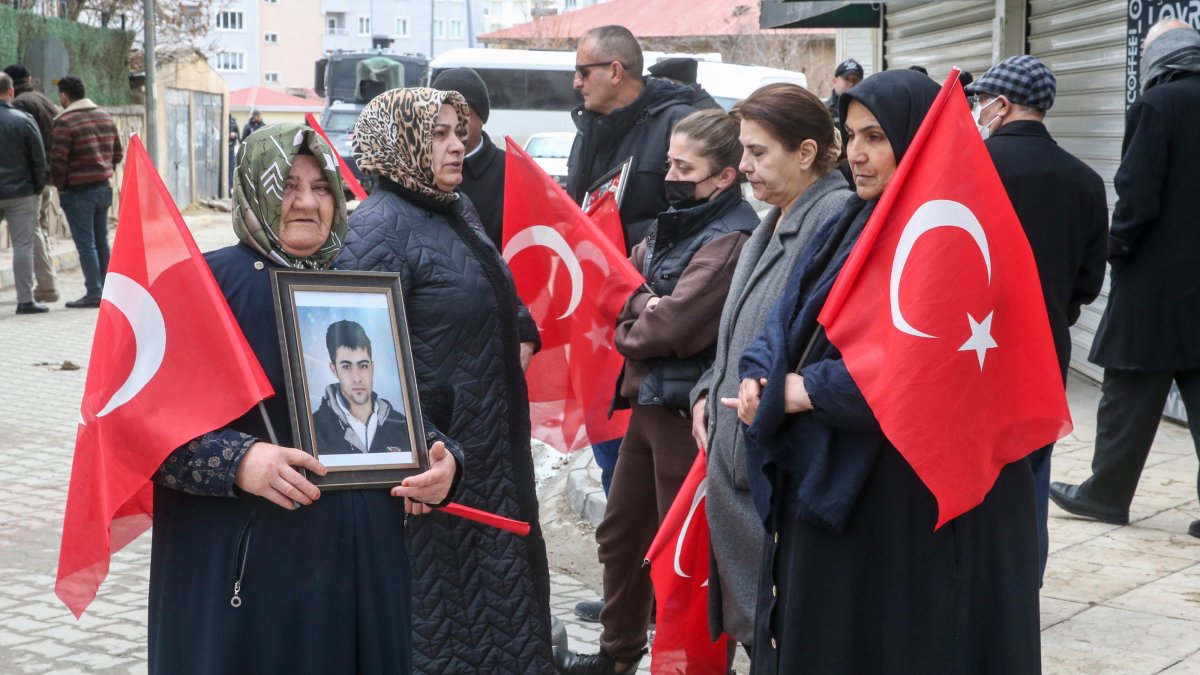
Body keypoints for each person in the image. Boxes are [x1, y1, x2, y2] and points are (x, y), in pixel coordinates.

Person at [731, 69, 1040, 673]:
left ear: (917, 136)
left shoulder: (949, 227)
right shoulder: (853, 218)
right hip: (845, 493)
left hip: (913, 499)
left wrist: (808, 390)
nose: (859, 155)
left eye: (876, 136)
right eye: (851, 137)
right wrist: (762, 373)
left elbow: (933, 367)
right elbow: (788, 315)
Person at [149, 123, 463, 674]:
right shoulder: (200, 287)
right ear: (253, 187)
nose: (305, 202)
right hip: (252, 575)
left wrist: (439, 458)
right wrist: (240, 461)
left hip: (362, 573)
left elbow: (391, 406)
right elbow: (144, 429)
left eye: (322, 187)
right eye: (287, 184)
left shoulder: (359, 286)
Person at [338, 87, 554, 673]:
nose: (459, 143)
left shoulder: (450, 207)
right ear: (400, 141)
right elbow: (362, 365)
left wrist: (518, 324)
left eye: (459, 130)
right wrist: (423, 440)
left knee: (501, 604)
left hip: (485, 446)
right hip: (433, 461)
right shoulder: (378, 229)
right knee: (445, 621)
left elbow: (481, 286)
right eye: (438, 133)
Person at [556, 108, 758, 675]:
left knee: (684, 556)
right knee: (622, 536)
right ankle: (619, 654)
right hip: (648, 406)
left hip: (686, 416)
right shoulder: (675, 224)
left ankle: (690, 662)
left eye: (682, 166)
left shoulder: (732, 237)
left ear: (723, 176)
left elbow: (667, 329)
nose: (668, 174)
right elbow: (623, 293)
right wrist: (644, 310)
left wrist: (641, 312)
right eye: (667, 161)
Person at [689, 82, 851, 656]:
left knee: (784, 637)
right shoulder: (776, 216)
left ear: (806, 152)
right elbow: (739, 333)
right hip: (739, 462)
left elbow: (811, 346)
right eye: (743, 152)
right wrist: (708, 388)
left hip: (775, 473)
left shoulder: (832, 219)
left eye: (759, 153)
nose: (745, 167)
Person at [1050, 20, 1200, 534]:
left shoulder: (1157, 106)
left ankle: (1106, 494)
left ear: (1157, 58)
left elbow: (1137, 192)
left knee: (1128, 390)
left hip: (1156, 282)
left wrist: (1118, 249)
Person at [966, 55, 1107, 582]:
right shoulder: (1087, 181)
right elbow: (1088, 284)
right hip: (1044, 347)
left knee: (968, 464)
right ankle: (1024, 581)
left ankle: (971, 581)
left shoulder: (972, 169)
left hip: (968, 346)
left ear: (1001, 106)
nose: (979, 111)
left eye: (982, 102)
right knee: (1030, 469)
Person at [567, 24, 696, 252]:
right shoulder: (588, 127)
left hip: (648, 281)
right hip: (589, 272)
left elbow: (696, 219)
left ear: (615, 72)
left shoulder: (680, 124)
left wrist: (616, 238)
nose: (576, 83)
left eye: (582, 72)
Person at [50, 75, 123, 309]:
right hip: (103, 188)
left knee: (86, 244)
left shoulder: (65, 121)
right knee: (101, 240)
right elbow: (118, 154)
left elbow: (58, 160)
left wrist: (60, 186)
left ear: (64, 96)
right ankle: (108, 291)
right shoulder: (104, 116)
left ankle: (93, 291)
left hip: (78, 192)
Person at [431, 67, 507, 250]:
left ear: (481, 118)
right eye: (442, 114)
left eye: (462, 115)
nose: (453, 123)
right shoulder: (418, 166)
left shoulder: (511, 172)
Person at [312, 319, 412, 456]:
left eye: (363, 365)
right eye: (346, 367)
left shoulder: (403, 425)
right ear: (333, 369)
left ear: (373, 367)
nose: (357, 378)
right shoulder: (312, 428)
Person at [5, 63, 60, 303]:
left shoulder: (19, 106)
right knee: (38, 232)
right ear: (28, 78)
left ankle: (44, 287)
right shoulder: (45, 100)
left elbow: (24, 151)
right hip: (38, 181)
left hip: (24, 183)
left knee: (29, 237)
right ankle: (46, 285)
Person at [0, 71, 49, 314]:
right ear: (11, 92)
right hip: (22, 194)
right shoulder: (24, 120)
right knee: (23, 246)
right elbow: (39, 160)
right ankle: (25, 300)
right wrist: (36, 187)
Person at [648, 57, 721, 110]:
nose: (656, 84)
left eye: (660, 80)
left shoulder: (701, 110)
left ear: (674, 83)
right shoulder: (694, 102)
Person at [824, 58, 863, 127]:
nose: (851, 84)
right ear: (834, 82)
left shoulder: (867, 109)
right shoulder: (825, 111)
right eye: (847, 79)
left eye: (855, 80)